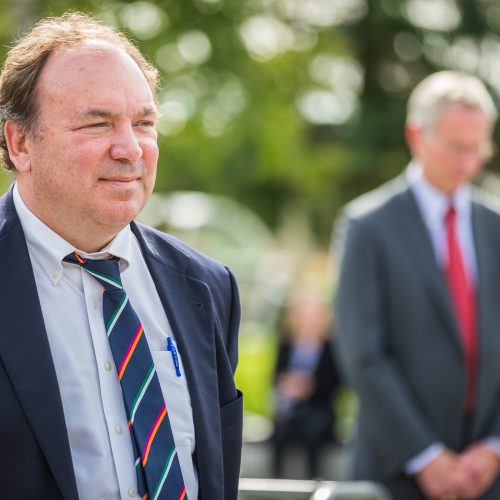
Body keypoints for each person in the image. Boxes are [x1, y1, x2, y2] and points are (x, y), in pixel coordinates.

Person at [0, 12, 242, 500]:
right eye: (98, 124)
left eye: (144, 123)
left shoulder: (207, 286)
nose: (130, 149)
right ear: (20, 143)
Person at [334, 71, 500, 499]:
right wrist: (425, 456)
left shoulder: (495, 226)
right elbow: (363, 355)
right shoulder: (367, 227)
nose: (468, 163)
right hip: (397, 475)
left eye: (479, 148)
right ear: (416, 135)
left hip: (487, 475)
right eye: (456, 147)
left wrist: (494, 448)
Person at [271, 291, 342, 478]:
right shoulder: (287, 345)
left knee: (313, 431)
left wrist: (309, 387)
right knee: (279, 432)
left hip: (319, 410)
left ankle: (313, 480)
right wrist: (287, 386)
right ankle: (277, 481)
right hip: (291, 410)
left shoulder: (330, 348)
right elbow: (275, 377)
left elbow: (337, 384)